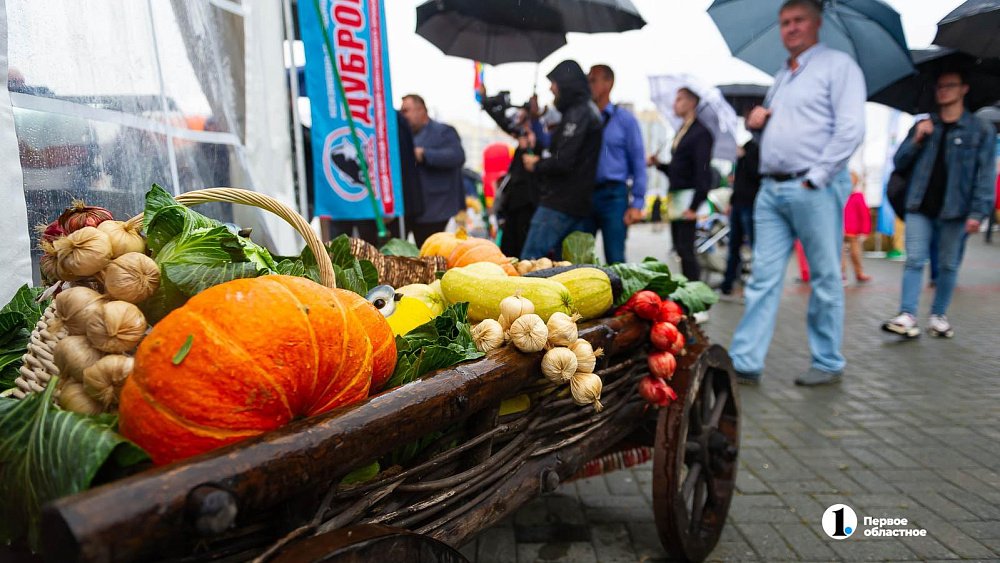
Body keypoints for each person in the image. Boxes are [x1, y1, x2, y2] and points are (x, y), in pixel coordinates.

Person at [728, 0, 866, 387]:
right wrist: (757, 124)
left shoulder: (839, 67)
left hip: (813, 187)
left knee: (824, 277)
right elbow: (781, 131)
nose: (790, 28)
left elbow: (851, 128)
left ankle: (827, 361)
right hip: (772, 188)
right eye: (784, 22)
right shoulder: (782, 77)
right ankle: (745, 360)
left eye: (798, 20)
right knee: (762, 279)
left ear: (817, 23)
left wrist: (816, 177)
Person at [881, 70, 996, 339]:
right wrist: (916, 140)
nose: (942, 91)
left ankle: (938, 315)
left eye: (949, 86)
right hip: (920, 204)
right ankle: (907, 315)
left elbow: (986, 174)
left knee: (947, 266)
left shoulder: (980, 130)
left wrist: (979, 212)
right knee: (914, 260)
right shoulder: (925, 125)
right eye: (939, 86)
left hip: (956, 209)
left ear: (963, 89)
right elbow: (899, 163)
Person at [520, 60, 603, 259]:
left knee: (530, 261)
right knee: (567, 269)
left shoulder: (579, 113)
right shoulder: (584, 111)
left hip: (560, 203)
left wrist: (536, 164)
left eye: (555, 82)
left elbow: (564, 160)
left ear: (567, 84)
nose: (551, 87)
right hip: (576, 203)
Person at [649, 87, 714, 280]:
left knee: (686, 250)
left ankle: (695, 294)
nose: (674, 104)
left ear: (692, 102)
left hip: (687, 200)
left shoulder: (701, 133)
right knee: (680, 248)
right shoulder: (682, 131)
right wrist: (659, 165)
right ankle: (687, 291)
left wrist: (694, 206)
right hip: (676, 197)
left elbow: (703, 173)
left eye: (679, 99)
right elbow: (679, 171)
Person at [586, 64, 648, 264]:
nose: (589, 85)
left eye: (593, 80)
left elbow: (639, 162)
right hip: (585, 196)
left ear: (608, 84)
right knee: (580, 259)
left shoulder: (625, 121)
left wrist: (637, 202)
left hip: (614, 197)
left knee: (616, 259)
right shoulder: (583, 118)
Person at [480, 90, 548, 257]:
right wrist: (486, 99)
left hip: (530, 204)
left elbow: (545, 147)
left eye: (524, 119)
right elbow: (505, 123)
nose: (519, 121)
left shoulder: (541, 138)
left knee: (524, 252)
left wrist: (534, 120)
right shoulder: (522, 137)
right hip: (513, 204)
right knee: (509, 250)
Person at [399, 94, 466, 247]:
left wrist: (424, 154)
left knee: (429, 255)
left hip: (435, 210)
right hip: (409, 209)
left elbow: (457, 156)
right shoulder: (404, 135)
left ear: (421, 110)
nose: (403, 115)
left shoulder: (444, 132)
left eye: (406, 110)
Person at [719, 139, 761, 298]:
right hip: (738, 204)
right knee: (733, 246)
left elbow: (757, 174)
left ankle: (755, 286)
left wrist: (744, 157)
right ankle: (727, 284)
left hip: (751, 205)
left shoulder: (758, 147)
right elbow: (738, 181)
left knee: (754, 246)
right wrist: (731, 202)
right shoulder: (743, 149)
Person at [842, 172, 872, 283]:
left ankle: (859, 272)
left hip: (853, 232)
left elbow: (865, 215)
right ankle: (841, 274)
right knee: (839, 255)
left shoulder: (858, 197)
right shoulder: (838, 197)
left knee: (855, 254)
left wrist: (865, 231)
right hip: (840, 231)